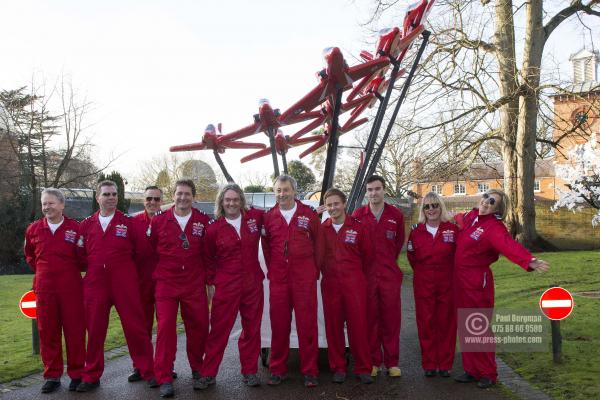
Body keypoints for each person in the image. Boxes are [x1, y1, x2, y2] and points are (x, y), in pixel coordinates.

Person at [453, 189, 549, 389]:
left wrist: (528, 260)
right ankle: (471, 370)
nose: (486, 202)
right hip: (460, 281)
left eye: (492, 202)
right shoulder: (472, 218)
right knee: (464, 325)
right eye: (486, 197)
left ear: (497, 209)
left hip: (477, 282)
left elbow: (508, 245)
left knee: (478, 327)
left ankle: (488, 372)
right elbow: (455, 219)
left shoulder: (493, 227)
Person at [76, 180, 155, 392]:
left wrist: (127, 273)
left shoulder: (130, 223)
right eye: (107, 194)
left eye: (114, 194)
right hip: (95, 283)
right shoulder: (85, 225)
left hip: (124, 282)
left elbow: (142, 253)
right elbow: (80, 256)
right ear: (97, 198)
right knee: (94, 330)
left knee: (135, 327)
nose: (111, 198)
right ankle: (91, 375)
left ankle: (147, 369)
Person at [196, 184, 265, 389]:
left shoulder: (254, 218)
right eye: (227, 200)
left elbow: (279, 212)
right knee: (219, 330)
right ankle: (208, 373)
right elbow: (208, 259)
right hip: (227, 284)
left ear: (241, 201)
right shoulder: (213, 229)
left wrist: (314, 210)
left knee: (252, 329)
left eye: (235, 199)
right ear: (221, 202)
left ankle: (250, 371)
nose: (232, 203)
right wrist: (211, 283)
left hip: (252, 282)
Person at [149, 180, 213, 398]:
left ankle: (197, 367)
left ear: (193, 197)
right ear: (173, 195)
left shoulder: (203, 221)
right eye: (179, 194)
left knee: (199, 326)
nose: (183, 198)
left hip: (194, 283)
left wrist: (209, 282)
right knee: (166, 329)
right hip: (166, 282)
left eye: (187, 194)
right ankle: (164, 376)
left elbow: (208, 254)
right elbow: (151, 250)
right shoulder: (159, 221)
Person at [24, 188, 86, 393]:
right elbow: (30, 257)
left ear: (61, 204)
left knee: (74, 332)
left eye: (51, 203)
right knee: (47, 332)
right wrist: (44, 272)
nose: (46, 207)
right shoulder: (33, 229)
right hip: (45, 289)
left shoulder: (75, 229)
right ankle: (52, 375)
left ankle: (77, 374)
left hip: (71, 289)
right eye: (44, 204)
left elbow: (82, 258)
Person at [261, 175, 320, 387]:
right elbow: (267, 247)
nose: (282, 194)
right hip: (279, 279)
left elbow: (318, 244)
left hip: (304, 279)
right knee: (279, 325)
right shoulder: (269, 217)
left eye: (286, 190)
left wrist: (313, 270)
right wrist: (275, 270)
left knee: (307, 325)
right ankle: (277, 369)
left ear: (294, 191)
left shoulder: (309, 214)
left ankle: (310, 371)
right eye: (278, 190)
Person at [319, 188, 374, 384]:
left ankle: (363, 367)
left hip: (354, 285)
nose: (333, 207)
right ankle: (338, 367)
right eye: (329, 204)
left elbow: (368, 257)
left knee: (358, 327)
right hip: (331, 285)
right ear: (325, 207)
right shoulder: (321, 229)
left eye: (336, 203)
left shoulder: (358, 227)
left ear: (343, 204)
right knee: (333, 328)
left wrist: (358, 279)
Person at [352, 175, 404, 377]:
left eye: (377, 189)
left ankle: (392, 363)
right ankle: (374, 361)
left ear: (384, 190)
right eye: (370, 189)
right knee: (370, 319)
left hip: (389, 274)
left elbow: (398, 243)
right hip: (367, 276)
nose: (374, 193)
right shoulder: (358, 215)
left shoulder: (396, 215)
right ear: (366, 192)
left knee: (391, 319)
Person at [406, 192, 457, 377]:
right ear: (423, 210)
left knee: (446, 323)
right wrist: (423, 273)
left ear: (440, 207)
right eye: (427, 206)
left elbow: (459, 255)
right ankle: (429, 363)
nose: (431, 209)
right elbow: (412, 258)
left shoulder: (452, 229)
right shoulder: (416, 231)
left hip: (447, 282)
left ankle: (444, 364)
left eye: (434, 205)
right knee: (426, 323)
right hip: (423, 282)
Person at [128, 185, 165, 383]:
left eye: (157, 199)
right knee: (141, 327)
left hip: (164, 282)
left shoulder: (168, 220)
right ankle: (140, 366)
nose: (152, 202)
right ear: (144, 200)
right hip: (140, 282)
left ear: (161, 201)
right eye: (149, 198)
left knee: (164, 327)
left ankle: (163, 365)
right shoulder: (133, 222)